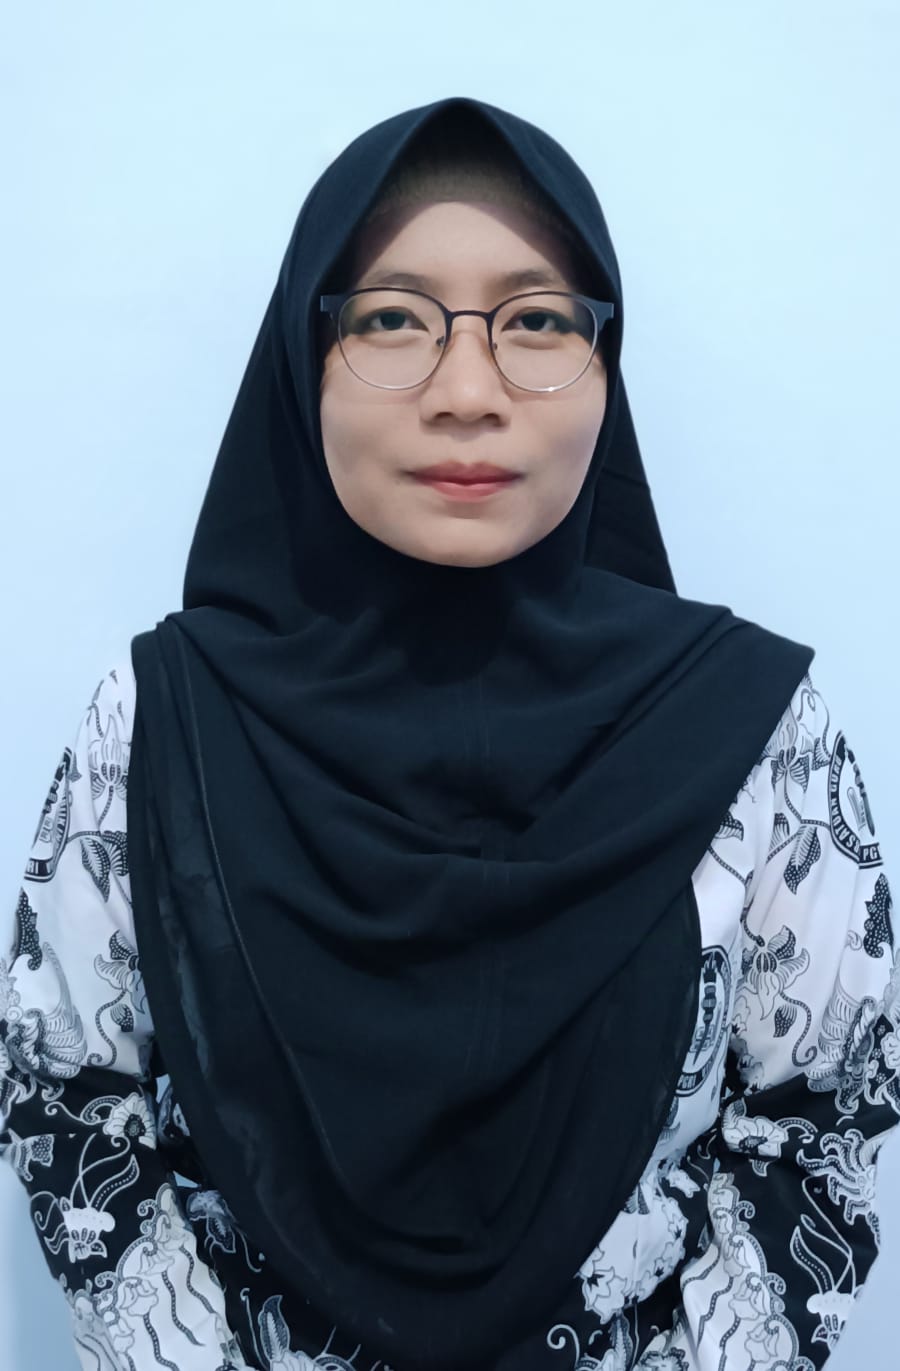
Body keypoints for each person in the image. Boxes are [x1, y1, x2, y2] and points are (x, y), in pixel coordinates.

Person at [1, 95, 897, 1371]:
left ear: (607, 366)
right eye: (391, 320)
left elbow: (820, 1126)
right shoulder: (161, 721)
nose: (468, 393)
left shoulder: (754, 730)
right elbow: (70, 1098)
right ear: (301, 359)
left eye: (537, 322)